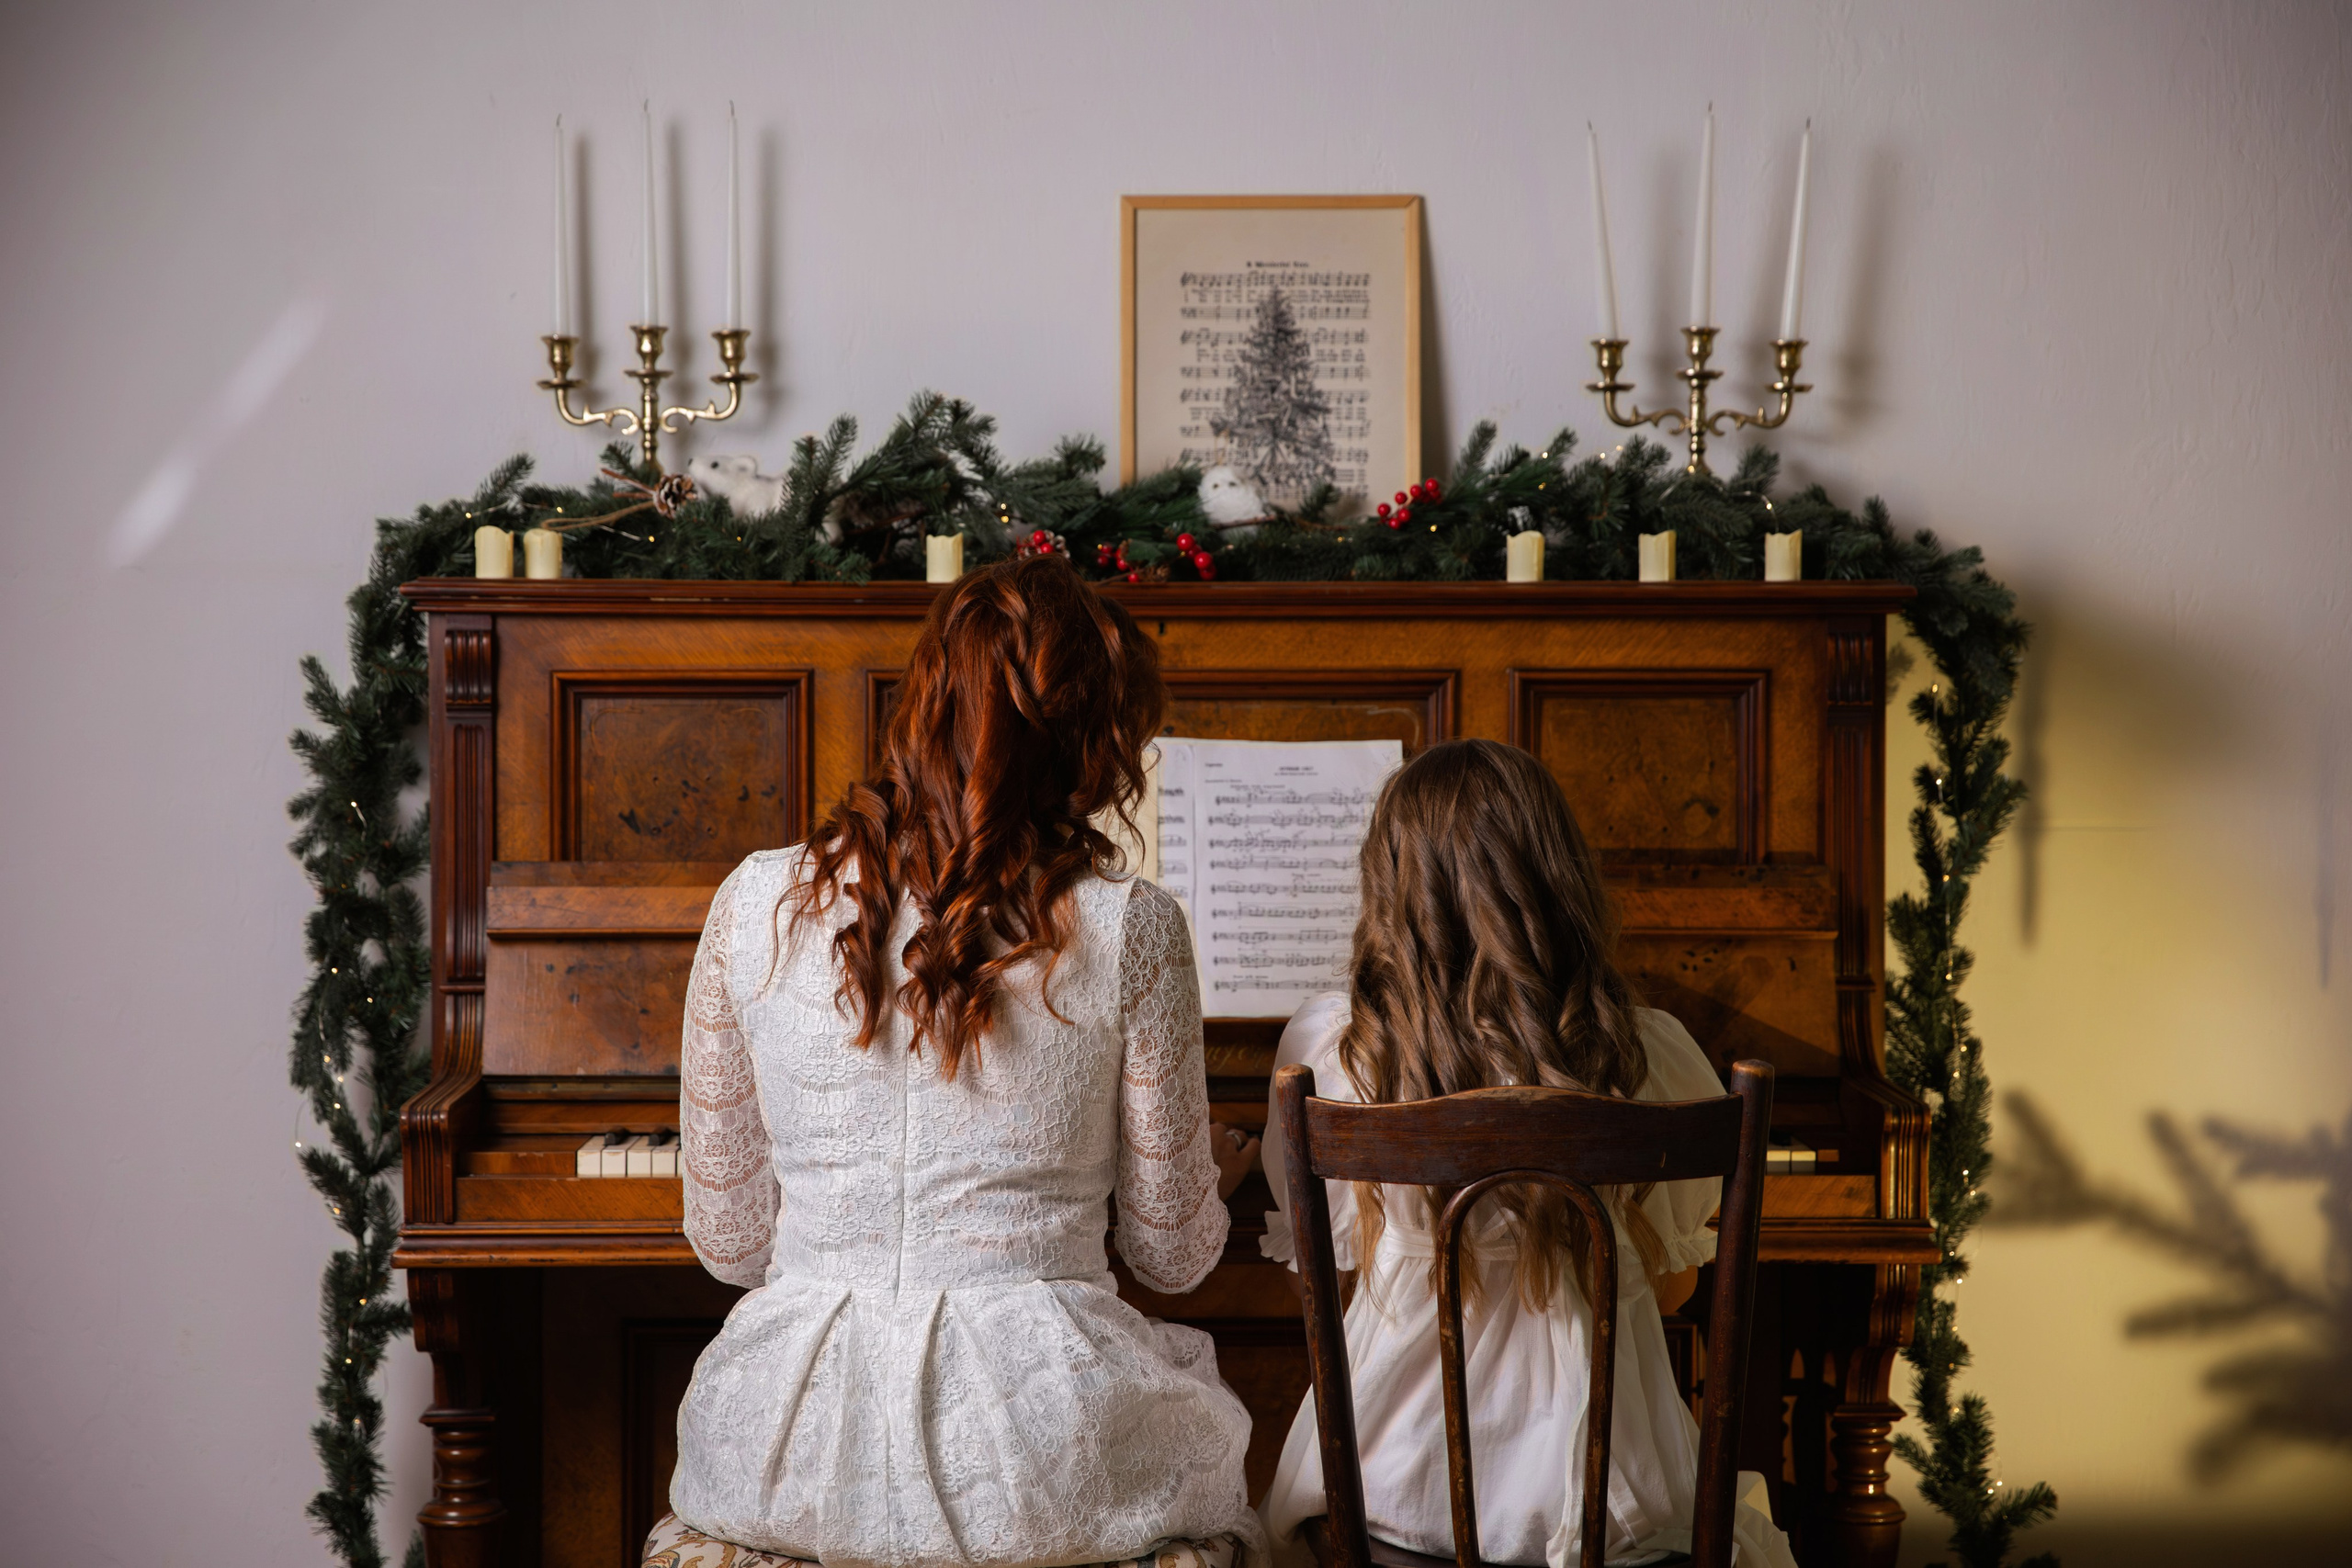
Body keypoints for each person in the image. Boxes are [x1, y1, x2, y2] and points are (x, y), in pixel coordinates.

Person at [668, 555, 1265, 1568]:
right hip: (1044, 1461)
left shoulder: (750, 903)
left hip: (781, 1454)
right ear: (1093, 741)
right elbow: (1172, 1258)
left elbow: (729, 1247)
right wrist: (1214, 1169)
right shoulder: (1133, 928)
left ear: (919, 704)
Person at [1257, 739, 1799, 1568]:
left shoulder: (1336, 1049)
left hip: (1390, 1493)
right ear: (1559, 880)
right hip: (1614, 1510)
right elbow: (1681, 1282)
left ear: (1391, 891)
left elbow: (1325, 1282)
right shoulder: (1648, 1049)